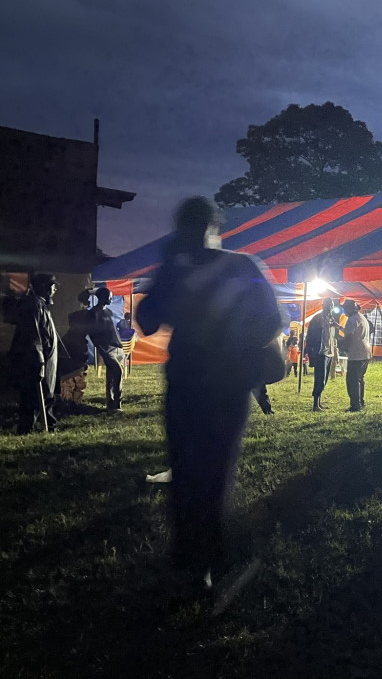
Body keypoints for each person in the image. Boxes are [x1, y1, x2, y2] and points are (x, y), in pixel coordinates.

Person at [136, 197, 282, 601]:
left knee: (208, 473)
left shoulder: (240, 266)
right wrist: (168, 271)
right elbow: (146, 322)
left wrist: (227, 343)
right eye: (190, 227)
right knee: (192, 472)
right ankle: (193, 558)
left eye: (201, 226)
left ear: (215, 228)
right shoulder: (182, 269)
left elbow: (271, 319)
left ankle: (202, 560)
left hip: (222, 386)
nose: (198, 235)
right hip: (191, 386)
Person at [9, 273, 62, 434]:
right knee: (32, 396)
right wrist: (39, 362)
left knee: (46, 395)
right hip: (35, 359)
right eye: (53, 286)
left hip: (47, 358)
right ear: (45, 287)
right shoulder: (33, 305)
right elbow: (32, 335)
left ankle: (50, 425)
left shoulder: (41, 304)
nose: (55, 289)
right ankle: (27, 429)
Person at [89, 287, 124, 412]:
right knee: (118, 372)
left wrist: (119, 343)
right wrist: (99, 347)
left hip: (116, 347)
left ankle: (111, 403)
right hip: (106, 348)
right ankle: (117, 403)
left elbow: (112, 329)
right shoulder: (94, 313)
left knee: (111, 375)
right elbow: (92, 333)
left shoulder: (108, 311)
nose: (111, 298)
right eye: (109, 296)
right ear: (102, 297)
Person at [61, 289, 94, 403]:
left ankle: (70, 397)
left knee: (70, 372)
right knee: (75, 371)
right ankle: (72, 398)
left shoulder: (73, 315)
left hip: (70, 343)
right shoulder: (88, 315)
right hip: (76, 345)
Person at [305, 297, 337, 412]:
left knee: (325, 379)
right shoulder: (317, 319)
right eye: (328, 306)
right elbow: (310, 336)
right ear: (323, 306)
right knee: (319, 378)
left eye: (331, 306)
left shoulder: (331, 319)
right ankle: (315, 404)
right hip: (320, 352)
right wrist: (309, 351)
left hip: (329, 352)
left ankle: (319, 402)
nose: (329, 309)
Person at [342, 299, 371, 412]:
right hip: (365, 353)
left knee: (352, 380)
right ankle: (361, 401)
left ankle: (355, 405)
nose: (344, 310)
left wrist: (343, 347)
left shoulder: (351, 320)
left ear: (350, 309)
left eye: (345, 308)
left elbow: (349, 336)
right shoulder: (361, 317)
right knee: (360, 379)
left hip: (356, 354)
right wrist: (339, 327)